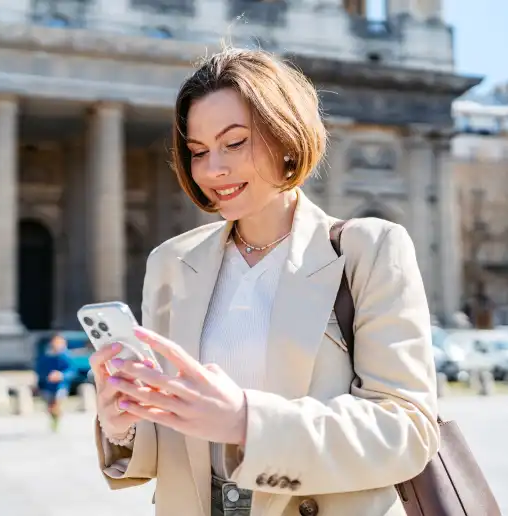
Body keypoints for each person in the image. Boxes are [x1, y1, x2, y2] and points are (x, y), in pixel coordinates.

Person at [90, 47, 439, 516]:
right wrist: (123, 426)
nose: (214, 169)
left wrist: (246, 421)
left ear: (285, 135)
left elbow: (407, 431)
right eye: (198, 151)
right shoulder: (171, 263)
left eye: (234, 143)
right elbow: (174, 438)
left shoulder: (369, 249)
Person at [35, 333, 76, 431]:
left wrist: (61, 375)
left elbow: (72, 370)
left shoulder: (66, 356)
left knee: (56, 403)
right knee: (49, 406)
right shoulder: (46, 356)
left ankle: (56, 422)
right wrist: (47, 377)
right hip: (47, 386)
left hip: (61, 385)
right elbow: (39, 370)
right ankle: (54, 420)